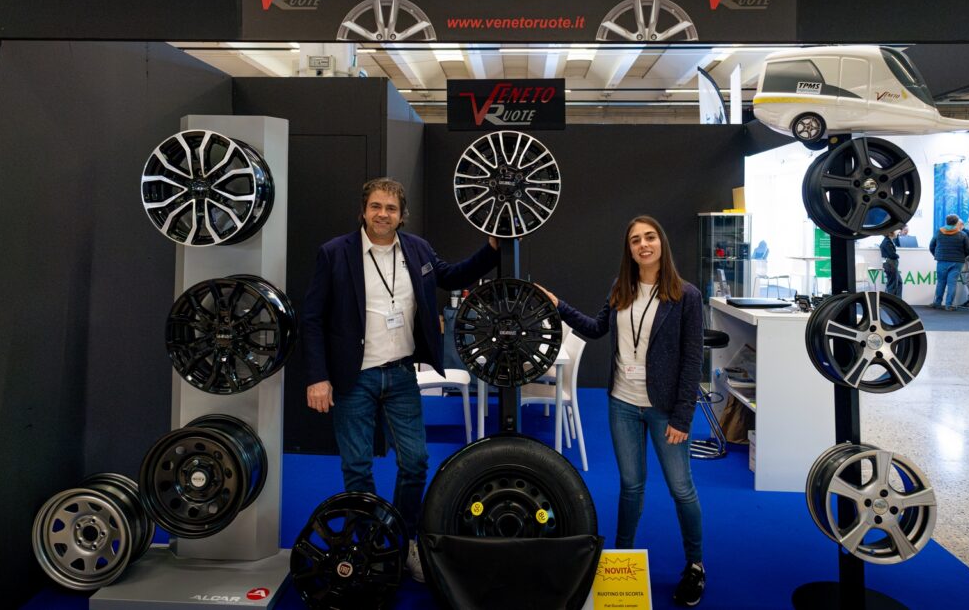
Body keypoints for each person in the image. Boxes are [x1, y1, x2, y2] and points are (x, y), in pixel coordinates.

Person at [301, 177, 499, 582]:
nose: (383, 214)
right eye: (376, 206)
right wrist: (318, 377)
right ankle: (369, 544)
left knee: (416, 461)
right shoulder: (334, 253)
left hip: (401, 374)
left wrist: (492, 249)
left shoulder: (418, 249)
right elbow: (312, 319)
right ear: (363, 211)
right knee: (357, 467)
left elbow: (453, 276)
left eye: (390, 208)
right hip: (353, 377)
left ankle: (403, 537)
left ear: (401, 215)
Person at [538, 216, 706, 607]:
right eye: (635, 240)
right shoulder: (621, 288)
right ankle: (621, 559)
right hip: (623, 403)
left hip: (665, 409)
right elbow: (596, 328)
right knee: (631, 486)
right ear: (628, 249)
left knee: (681, 488)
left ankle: (696, 564)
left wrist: (683, 417)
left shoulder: (686, 295)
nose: (643, 245)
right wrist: (558, 306)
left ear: (661, 243)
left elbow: (693, 359)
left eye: (649, 237)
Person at [929, 214, 969, 311]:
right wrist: (962, 256)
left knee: (941, 282)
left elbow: (931, 246)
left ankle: (937, 303)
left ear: (946, 221)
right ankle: (949, 305)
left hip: (942, 261)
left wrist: (937, 255)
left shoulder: (939, 232)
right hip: (957, 262)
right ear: (956, 222)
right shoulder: (962, 234)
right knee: (952, 283)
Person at [880, 230, 902, 298]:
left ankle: (898, 300)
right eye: (896, 231)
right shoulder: (887, 242)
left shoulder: (890, 241)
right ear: (891, 232)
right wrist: (897, 256)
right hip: (890, 264)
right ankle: (891, 301)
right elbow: (892, 255)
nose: (898, 232)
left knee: (899, 282)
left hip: (891, 264)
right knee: (892, 285)